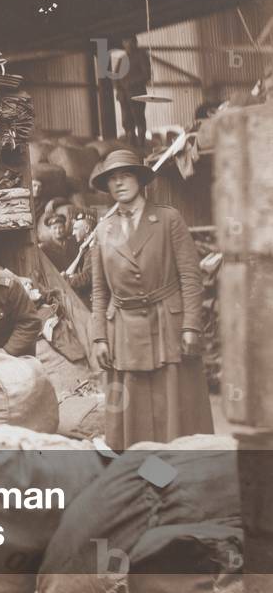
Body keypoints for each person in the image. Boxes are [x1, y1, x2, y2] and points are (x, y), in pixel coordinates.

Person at [89, 149, 213, 449]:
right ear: (107, 186)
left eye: (126, 175)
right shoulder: (103, 231)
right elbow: (99, 291)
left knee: (175, 411)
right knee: (134, 415)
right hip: (124, 333)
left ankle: (180, 479)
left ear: (140, 180)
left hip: (167, 328)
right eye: (112, 179)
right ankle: (145, 479)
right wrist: (99, 338)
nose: (119, 183)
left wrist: (191, 327)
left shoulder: (168, 218)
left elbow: (190, 277)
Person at [64, 210, 97, 304]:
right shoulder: (86, 248)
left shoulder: (94, 247)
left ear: (87, 229)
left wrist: (67, 280)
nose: (73, 233)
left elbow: (88, 277)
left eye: (76, 229)